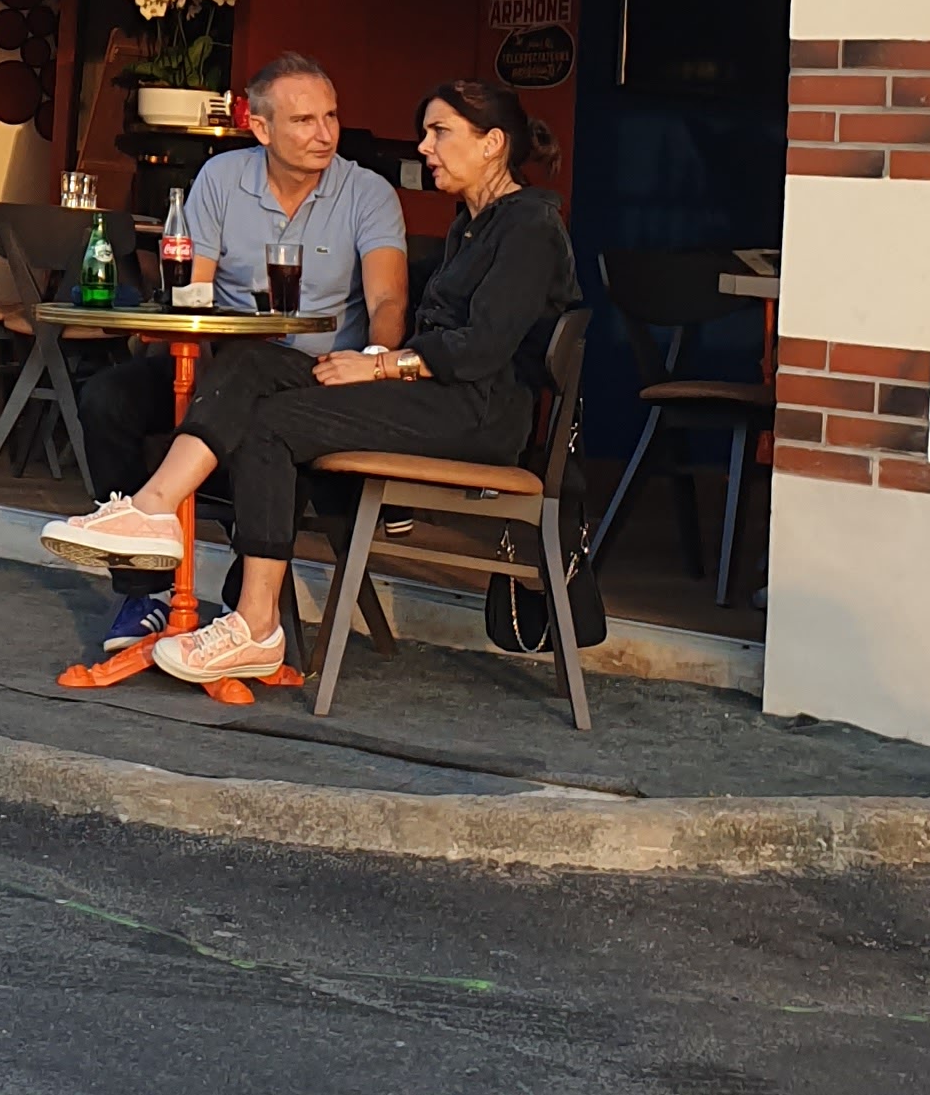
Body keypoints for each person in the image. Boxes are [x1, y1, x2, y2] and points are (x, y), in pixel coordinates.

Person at [43, 77, 581, 694]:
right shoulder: (473, 224)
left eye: (439, 132)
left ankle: (256, 623)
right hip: (434, 394)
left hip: (476, 414)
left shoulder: (530, 226)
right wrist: (382, 367)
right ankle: (153, 509)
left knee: (271, 424)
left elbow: (482, 347)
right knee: (251, 363)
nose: (424, 147)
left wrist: (378, 365)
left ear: (492, 143)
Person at [66, 50, 409, 685]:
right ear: (261, 127)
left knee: (269, 415)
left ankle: (234, 608)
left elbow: (388, 300)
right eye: (304, 120)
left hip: (320, 376)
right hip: (225, 364)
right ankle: (146, 590)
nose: (324, 134)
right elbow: (193, 288)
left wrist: (372, 364)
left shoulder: (367, 191)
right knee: (108, 398)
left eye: (331, 117)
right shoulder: (223, 178)